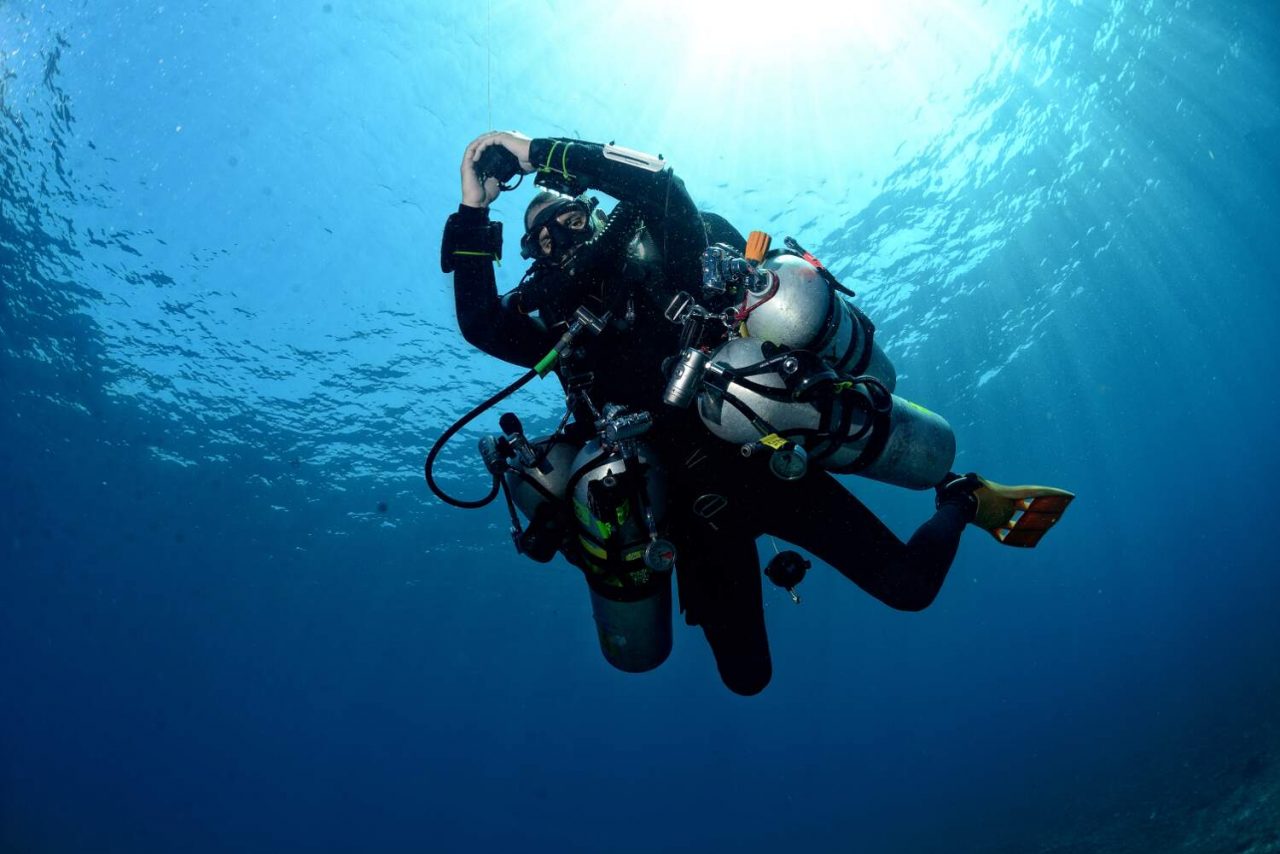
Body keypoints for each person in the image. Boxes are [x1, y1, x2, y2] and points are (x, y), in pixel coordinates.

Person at [439, 130, 1071, 696]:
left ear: (591, 209)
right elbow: (478, 322)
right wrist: (474, 210)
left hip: (768, 459)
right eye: (542, 236)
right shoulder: (554, 329)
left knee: (909, 588)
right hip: (687, 516)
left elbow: (658, 180)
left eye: (569, 217)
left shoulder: (664, 250)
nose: (560, 238)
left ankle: (961, 496)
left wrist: (533, 154)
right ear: (529, 253)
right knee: (747, 679)